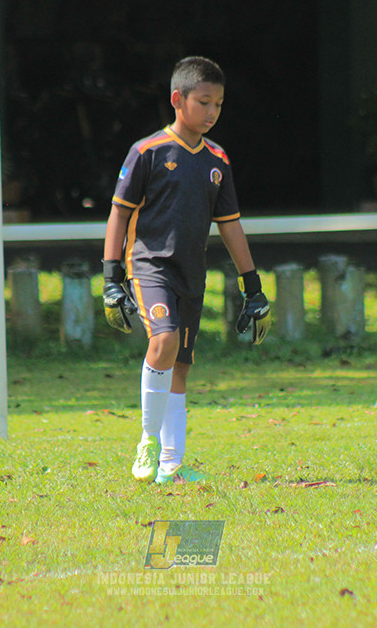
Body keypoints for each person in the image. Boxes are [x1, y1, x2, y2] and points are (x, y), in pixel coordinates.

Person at [101, 56, 270, 485]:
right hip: (149, 268)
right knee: (164, 341)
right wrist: (110, 278)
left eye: (219, 104)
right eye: (204, 102)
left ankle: (172, 465)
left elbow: (230, 226)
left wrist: (253, 288)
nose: (212, 112)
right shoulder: (147, 152)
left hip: (192, 274)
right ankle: (147, 443)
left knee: (180, 367)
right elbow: (118, 216)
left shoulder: (217, 159)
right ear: (178, 99)